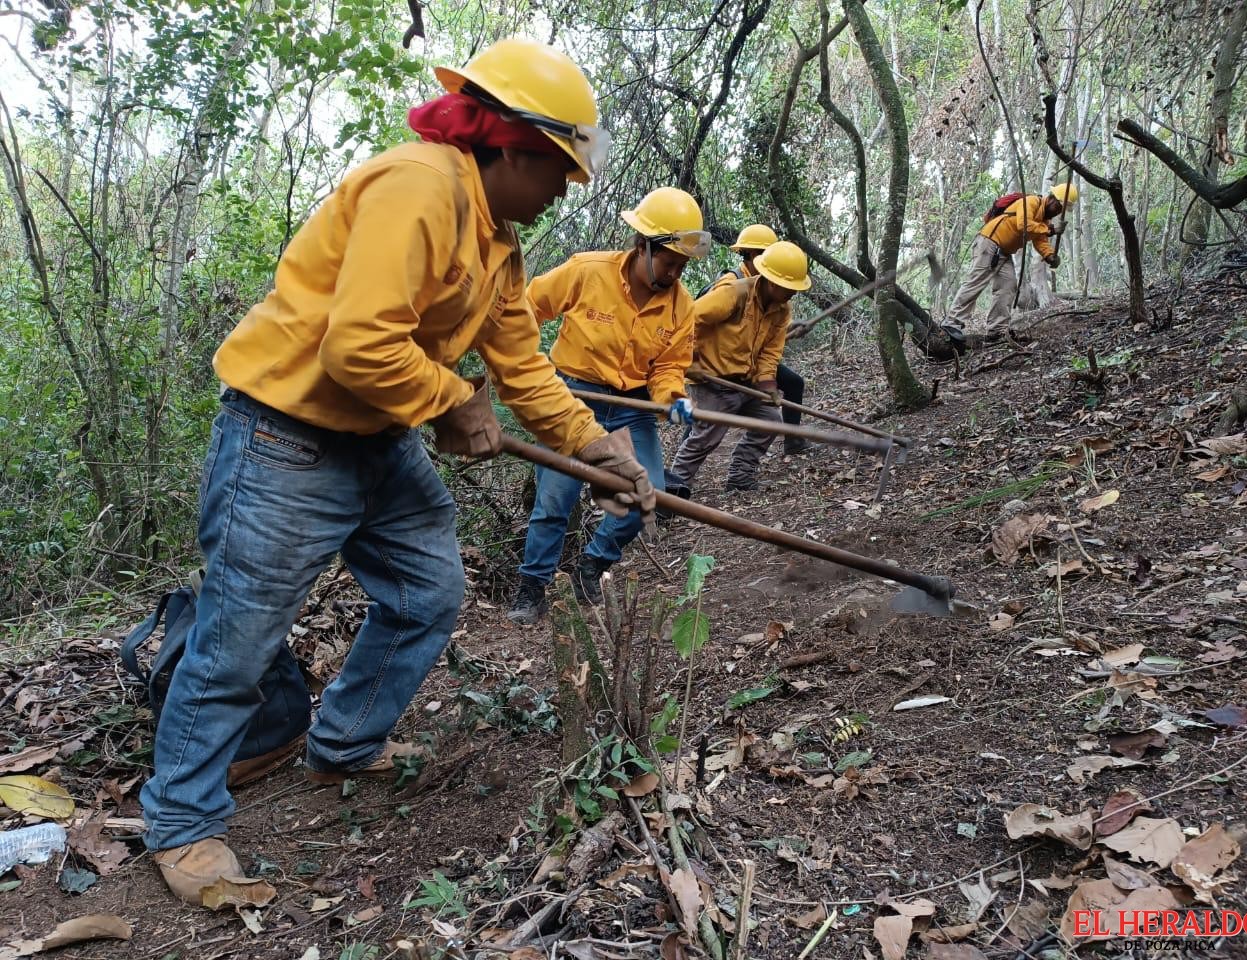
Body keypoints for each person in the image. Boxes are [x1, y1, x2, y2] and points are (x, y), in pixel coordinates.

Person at [141, 38, 657, 905]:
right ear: (509, 146)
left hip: (378, 441)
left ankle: (342, 744)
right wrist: (454, 402)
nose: (563, 191)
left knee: (428, 593)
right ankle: (183, 822)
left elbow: (522, 364)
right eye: (556, 172)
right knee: (237, 643)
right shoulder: (418, 187)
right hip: (286, 442)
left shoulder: (498, 240)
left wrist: (589, 443)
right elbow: (358, 344)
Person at [506, 187, 707, 624]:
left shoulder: (682, 306)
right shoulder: (587, 271)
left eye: (682, 265)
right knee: (555, 499)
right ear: (643, 247)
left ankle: (591, 567)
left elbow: (670, 366)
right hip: (572, 395)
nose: (675, 272)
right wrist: (528, 364)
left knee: (647, 493)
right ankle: (532, 588)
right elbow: (526, 308)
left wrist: (673, 397)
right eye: (669, 261)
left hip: (632, 406)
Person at [668, 241, 810, 493]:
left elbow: (770, 352)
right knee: (705, 438)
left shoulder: (781, 310)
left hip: (744, 381)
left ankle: (740, 476)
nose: (794, 293)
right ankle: (673, 490)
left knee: (770, 421)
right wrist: (691, 360)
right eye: (790, 287)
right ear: (773, 282)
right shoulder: (734, 293)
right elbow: (687, 320)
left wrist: (767, 384)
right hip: (712, 381)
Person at [946, 183, 1077, 336]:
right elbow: (1024, 225)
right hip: (989, 243)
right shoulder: (1031, 202)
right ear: (1051, 199)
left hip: (1004, 252)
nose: (1057, 212)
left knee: (1008, 286)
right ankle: (952, 322)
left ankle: (997, 329)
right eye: (1058, 207)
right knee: (976, 281)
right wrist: (1052, 230)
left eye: (1061, 210)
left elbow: (1040, 240)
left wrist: (1050, 256)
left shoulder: (1043, 220)